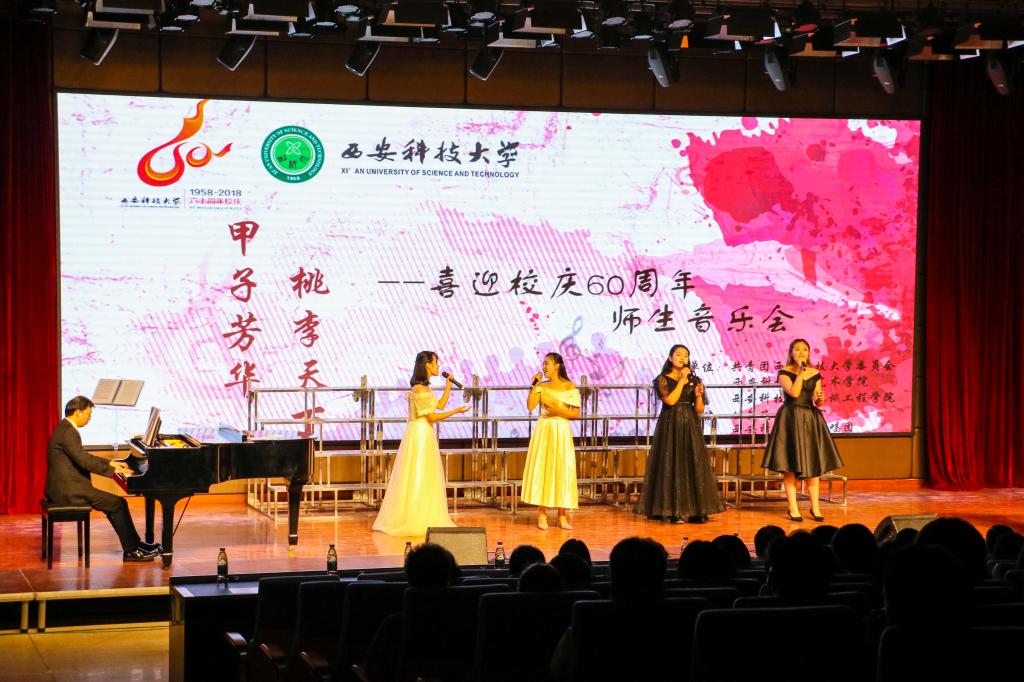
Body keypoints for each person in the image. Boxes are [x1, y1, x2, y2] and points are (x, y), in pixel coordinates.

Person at [45, 395, 158, 562]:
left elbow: (83, 456)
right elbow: (84, 461)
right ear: (78, 412)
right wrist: (112, 471)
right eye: (89, 414)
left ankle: (135, 545)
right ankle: (131, 550)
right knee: (117, 504)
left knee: (116, 504)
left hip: (66, 486)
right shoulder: (68, 431)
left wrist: (110, 462)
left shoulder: (64, 427)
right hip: (68, 490)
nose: (89, 418)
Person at [373, 351, 469, 537]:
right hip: (421, 435)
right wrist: (456, 411)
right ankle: (416, 518)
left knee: (425, 474)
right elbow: (432, 417)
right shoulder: (420, 390)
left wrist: (448, 386)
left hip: (422, 433)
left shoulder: (424, 388)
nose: (438, 367)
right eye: (436, 363)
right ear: (428, 366)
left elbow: (439, 405)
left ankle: (423, 514)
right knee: (419, 473)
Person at [635, 344, 724, 523]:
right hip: (670, 425)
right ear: (670, 358)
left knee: (691, 464)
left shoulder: (695, 379)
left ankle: (695, 510)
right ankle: (671, 511)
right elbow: (671, 400)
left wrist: (698, 395)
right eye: (678, 355)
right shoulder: (662, 379)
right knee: (670, 464)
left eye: (686, 355)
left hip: (690, 424)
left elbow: (699, 409)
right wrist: (682, 381)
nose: (683, 358)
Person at [761, 338, 843, 522]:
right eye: (797, 349)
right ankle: (793, 508)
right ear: (791, 353)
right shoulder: (784, 373)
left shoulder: (815, 373)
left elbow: (818, 401)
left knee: (813, 465)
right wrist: (801, 372)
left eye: (805, 349)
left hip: (810, 419)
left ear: (809, 353)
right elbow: (795, 393)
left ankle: (815, 508)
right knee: (790, 465)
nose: (801, 352)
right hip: (790, 418)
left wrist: (821, 398)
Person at [521, 352, 580, 530]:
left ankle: (562, 515)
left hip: (560, 429)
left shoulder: (569, 386)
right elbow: (530, 406)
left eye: (547, 363)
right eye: (543, 363)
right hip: (544, 428)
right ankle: (542, 514)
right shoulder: (541, 385)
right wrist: (534, 385)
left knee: (562, 469)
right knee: (543, 468)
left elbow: (576, 413)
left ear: (557, 365)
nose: (544, 367)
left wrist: (557, 411)